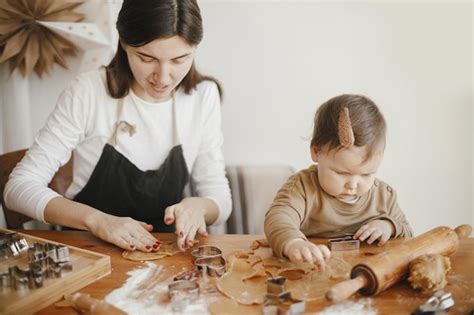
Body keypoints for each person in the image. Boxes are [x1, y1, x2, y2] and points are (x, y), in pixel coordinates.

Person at [4, 0, 231, 253]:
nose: (163, 77)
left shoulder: (202, 96)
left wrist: (199, 206)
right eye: (146, 58)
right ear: (123, 43)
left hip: (165, 253)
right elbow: (18, 188)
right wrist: (98, 221)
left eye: (180, 59)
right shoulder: (88, 92)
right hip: (87, 250)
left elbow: (220, 197)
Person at [264, 94, 413, 269]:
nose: (353, 184)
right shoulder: (301, 188)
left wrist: (388, 226)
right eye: (341, 173)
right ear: (315, 152)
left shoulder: (383, 195)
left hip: (368, 274)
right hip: (312, 270)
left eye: (366, 174)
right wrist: (294, 243)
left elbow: (407, 232)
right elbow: (278, 218)